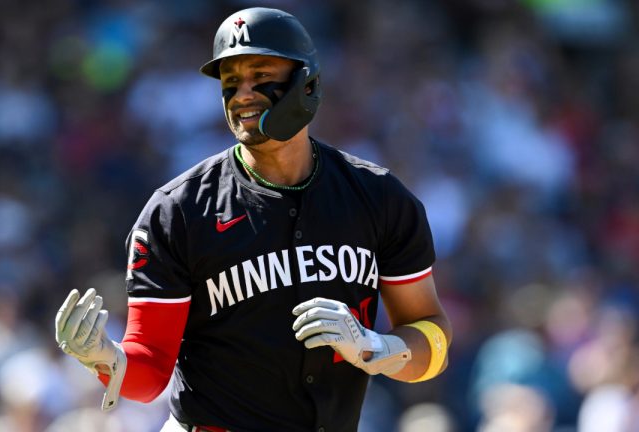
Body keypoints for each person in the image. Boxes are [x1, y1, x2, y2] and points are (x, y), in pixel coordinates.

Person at [54, 7, 452, 432]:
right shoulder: (178, 211)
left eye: (261, 76)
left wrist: (374, 346)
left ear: (309, 83)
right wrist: (102, 356)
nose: (243, 94)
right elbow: (149, 373)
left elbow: (433, 340)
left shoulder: (379, 198)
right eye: (231, 84)